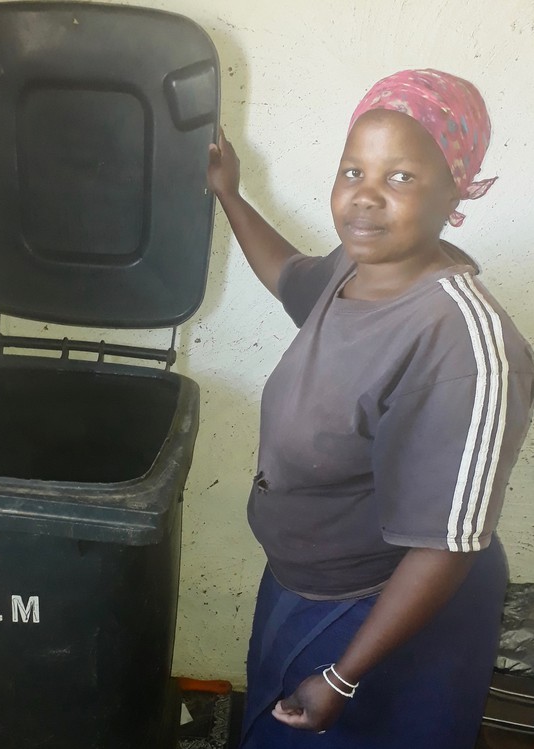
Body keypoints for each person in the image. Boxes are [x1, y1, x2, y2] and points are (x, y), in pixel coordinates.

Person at [207, 69, 534, 748]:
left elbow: (447, 543)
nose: (365, 197)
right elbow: (287, 273)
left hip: (383, 615)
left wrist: (344, 676)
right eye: (353, 170)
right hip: (304, 585)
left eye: (401, 178)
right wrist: (229, 196)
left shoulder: (465, 343)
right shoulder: (352, 274)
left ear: (457, 189)